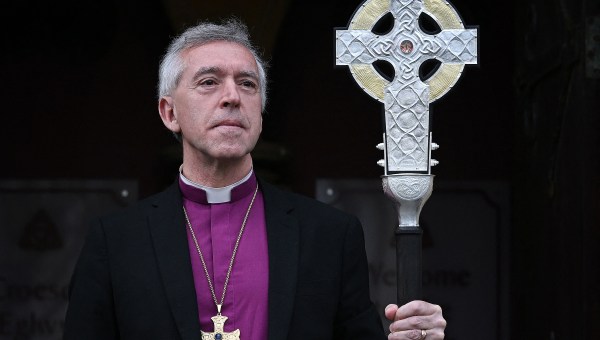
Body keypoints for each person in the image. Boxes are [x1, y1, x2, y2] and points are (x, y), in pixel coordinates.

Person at [63, 19, 446, 340]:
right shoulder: (115, 241)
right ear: (169, 113)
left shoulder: (329, 234)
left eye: (248, 84)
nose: (232, 96)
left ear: (261, 114)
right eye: (209, 82)